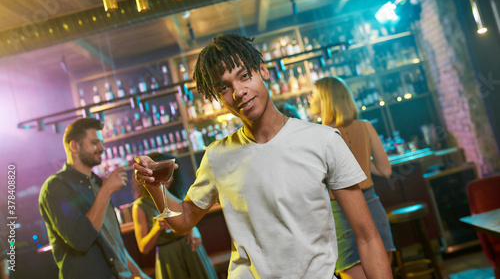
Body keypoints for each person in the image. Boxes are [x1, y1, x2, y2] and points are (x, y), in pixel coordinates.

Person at [134, 34, 392, 279]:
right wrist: (153, 184)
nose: (238, 91)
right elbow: (184, 219)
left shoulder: (323, 140)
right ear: (218, 99)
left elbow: (367, 236)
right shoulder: (216, 157)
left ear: (263, 71)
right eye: (224, 88)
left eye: (244, 76)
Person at [39, 118, 150, 279]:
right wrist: (106, 191)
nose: (102, 148)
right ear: (74, 146)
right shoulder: (55, 187)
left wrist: (139, 274)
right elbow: (81, 239)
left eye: (101, 142)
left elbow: (114, 244)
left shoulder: (98, 183)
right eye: (94, 142)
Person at [309, 76, 395, 279]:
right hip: (373, 207)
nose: (310, 100)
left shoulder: (319, 134)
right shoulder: (366, 126)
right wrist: (362, 161)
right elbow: (385, 170)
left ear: (326, 99)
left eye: (313, 95)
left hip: (342, 213)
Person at [132, 152, 218, 279]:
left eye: (171, 174)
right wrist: (157, 228)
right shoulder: (140, 205)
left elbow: (187, 219)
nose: (169, 179)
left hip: (191, 249)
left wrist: (193, 229)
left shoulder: (178, 194)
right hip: (169, 258)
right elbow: (143, 248)